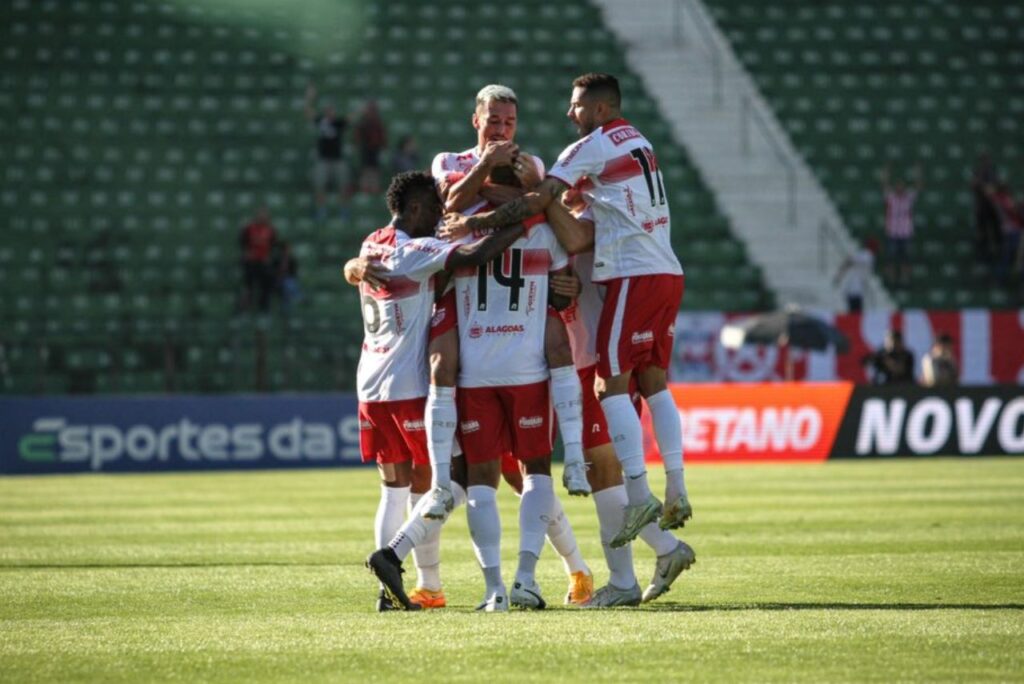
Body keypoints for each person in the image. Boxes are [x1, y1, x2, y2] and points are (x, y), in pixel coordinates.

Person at [441, 73, 692, 549]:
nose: (568, 114)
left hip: (626, 283)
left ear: (598, 110)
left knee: (608, 390)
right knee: (654, 381)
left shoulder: (586, 151)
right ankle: (674, 496)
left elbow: (540, 201)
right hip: (662, 271)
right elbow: (572, 233)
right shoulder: (632, 148)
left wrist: (482, 218)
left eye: (576, 106)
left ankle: (642, 500)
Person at [354, 171, 526, 611]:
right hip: (407, 385)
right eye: (433, 208)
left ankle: (399, 590)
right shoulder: (416, 249)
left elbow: (355, 269)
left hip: (370, 383)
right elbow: (476, 253)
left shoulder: (372, 243)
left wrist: (349, 268)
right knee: (457, 483)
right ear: (413, 209)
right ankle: (393, 555)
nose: (439, 216)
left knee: (394, 489)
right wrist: (523, 220)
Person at [546, 190, 696, 607]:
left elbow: (591, 264)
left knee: (604, 471)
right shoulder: (571, 218)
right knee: (601, 476)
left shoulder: (596, 218)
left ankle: (625, 580)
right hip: (580, 357)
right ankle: (664, 552)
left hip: (601, 358)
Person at [304, 83, 350, 222]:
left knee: (343, 186)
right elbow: (308, 112)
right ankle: (321, 210)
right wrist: (309, 97)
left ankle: (344, 210)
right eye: (328, 110)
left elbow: (352, 118)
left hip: (337, 159)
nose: (330, 112)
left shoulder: (338, 123)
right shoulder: (321, 121)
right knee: (320, 186)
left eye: (332, 110)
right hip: (323, 159)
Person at [881, 164, 923, 287]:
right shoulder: (891, 197)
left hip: (906, 232)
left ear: (904, 188)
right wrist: (885, 173)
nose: (899, 188)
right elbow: (884, 185)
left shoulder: (909, 197)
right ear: (895, 188)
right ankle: (891, 277)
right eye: (897, 186)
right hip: (893, 232)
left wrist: (918, 174)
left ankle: (905, 277)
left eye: (901, 186)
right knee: (890, 257)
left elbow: (918, 187)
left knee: (906, 257)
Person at [238, 206, 276, 313]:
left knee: (268, 276)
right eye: (260, 214)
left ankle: (264, 304)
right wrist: (246, 253)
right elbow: (243, 242)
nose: (262, 217)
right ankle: (246, 299)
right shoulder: (249, 228)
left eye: (264, 214)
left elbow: (273, 245)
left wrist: (269, 256)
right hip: (252, 260)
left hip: (264, 260)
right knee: (249, 274)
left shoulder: (270, 230)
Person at [971, 152, 1001, 262]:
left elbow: (995, 188)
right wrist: (983, 185)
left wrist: (986, 187)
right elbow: (973, 185)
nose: (985, 163)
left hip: (992, 206)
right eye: (983, 160)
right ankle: (981, 252)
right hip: (981, 206)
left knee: (994, 229)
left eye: (987, 160)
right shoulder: (978, 172)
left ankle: (994, 250)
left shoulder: (993, 173)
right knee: (981, 231)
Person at [833, 238, 876, 313]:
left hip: (855, 288)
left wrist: (839, 276)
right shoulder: (867, 255)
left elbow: (849, 262)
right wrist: (839, 276)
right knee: (856, 314)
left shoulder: (865, 255)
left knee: (854, 313)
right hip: (855, 289)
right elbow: (849, 261)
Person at [354, 99, 387, 194]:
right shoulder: (363, 122)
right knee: (366, 170)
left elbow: (382, 135)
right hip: (365, 148)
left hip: (375, 149)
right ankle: (365, 187)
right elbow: (358, 135)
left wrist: (383, 145)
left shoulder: (378, 122)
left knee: (374, 170)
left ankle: (374, 187)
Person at [273, 241, 301, 314]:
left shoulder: (292, 260)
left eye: (288, 250)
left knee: (288, 284)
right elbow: (272, 272)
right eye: (285, 250)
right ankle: (298, 296)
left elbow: (294, 273)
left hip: (288, 280)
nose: (287, 251)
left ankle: (285, 308)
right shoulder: (276, 260)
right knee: (287, 284)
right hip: (277, 280)